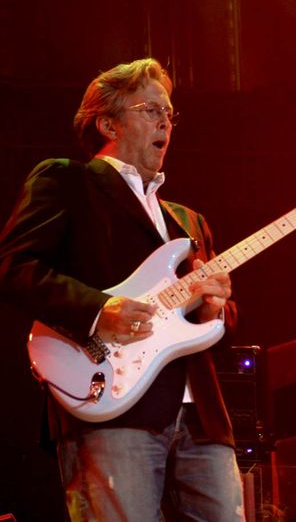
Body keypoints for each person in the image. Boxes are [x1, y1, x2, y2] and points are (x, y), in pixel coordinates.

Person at [0, 58, 244, 519]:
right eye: (151, 110)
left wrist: (216, 310)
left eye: (169, 114)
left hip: (202, 417)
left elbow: (219, 323)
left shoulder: (189, 221)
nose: (164, 123)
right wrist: (98, 310)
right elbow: (13, 267)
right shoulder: (67, 181)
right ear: (108, 122)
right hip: (112, 403)